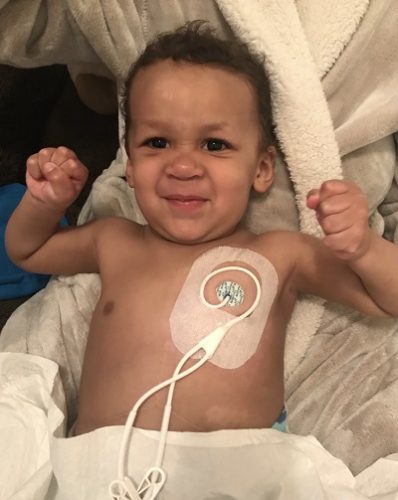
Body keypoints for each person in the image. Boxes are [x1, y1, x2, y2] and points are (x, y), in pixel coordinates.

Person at [5, 21, 398, 499]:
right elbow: (29, 251)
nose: (184, 165)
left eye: (214, 145)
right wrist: (44, 204)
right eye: (157, 142)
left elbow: (386, 300)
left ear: (261, 169)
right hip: (100, 472)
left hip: (232, 478)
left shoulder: (280, 253)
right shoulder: (116, 241)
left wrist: (362, 247)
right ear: (129, 166)